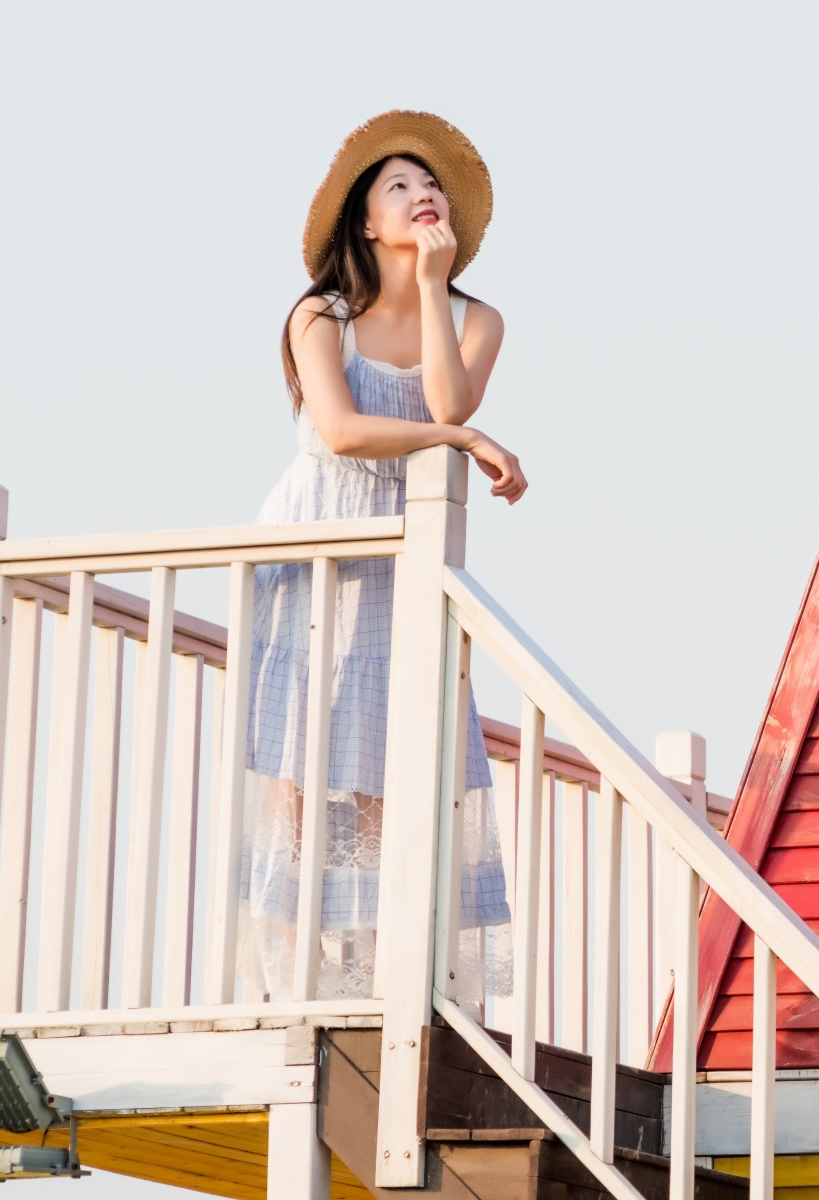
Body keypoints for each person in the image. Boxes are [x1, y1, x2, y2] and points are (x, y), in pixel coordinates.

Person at [240, 111, 525, 1002]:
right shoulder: (320, 313)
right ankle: (294, 963)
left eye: (429, 184)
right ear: (365, 222)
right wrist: (462, 440)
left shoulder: (478, 319)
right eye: (397, 185)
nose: (421, 194)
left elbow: (446, 400)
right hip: (320, 537)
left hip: (408, 544)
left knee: (391, 749)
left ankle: (372, 959)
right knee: (306, 746)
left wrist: (434, 287)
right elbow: (341, 430)